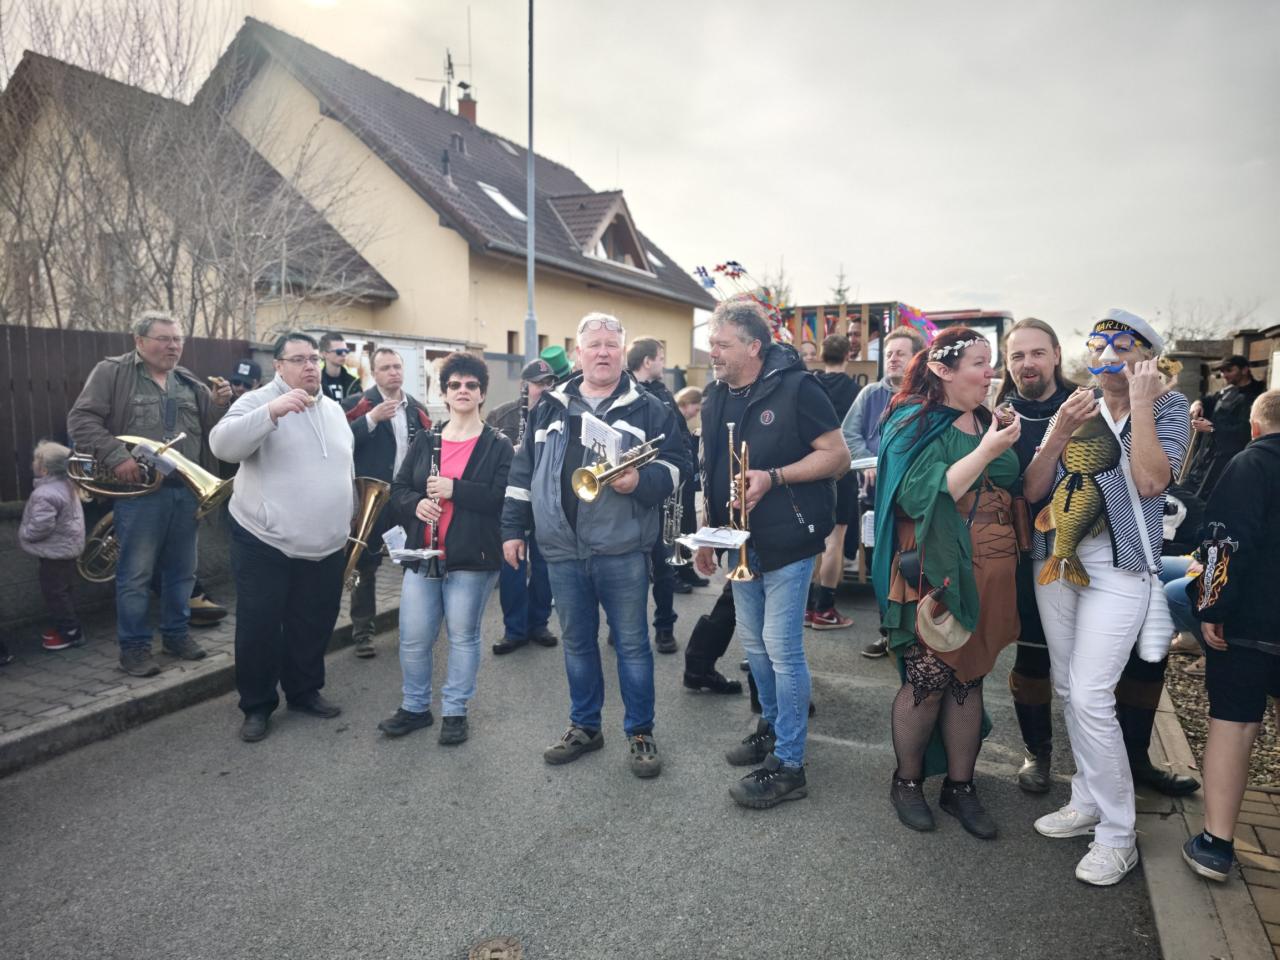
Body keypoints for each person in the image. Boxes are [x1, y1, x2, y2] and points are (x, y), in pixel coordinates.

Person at [1024, 308, 1190, 886]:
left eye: (1122, 346)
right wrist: (1058, 433)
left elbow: (1150, 482)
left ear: (1147, 356)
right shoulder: (1078, 404)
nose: (1108, 355)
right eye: (1099, 345)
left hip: (1122, 566)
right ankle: (1088, 799)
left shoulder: (1169, 407)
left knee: (1093, 694)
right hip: (1058, 553)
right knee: (1069, 688)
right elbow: (1033, 488)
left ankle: (1118, 835)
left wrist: (1140, 404)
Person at [501, 312, 689, 779]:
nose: (603, 352)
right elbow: (523, 470)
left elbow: (680, 465)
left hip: (621, 547)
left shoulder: (649, 407)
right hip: (561, 549)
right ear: (578, 352)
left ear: (622, 351)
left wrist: (640, 482)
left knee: (632, 645)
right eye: (594, 344)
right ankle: (585, 726)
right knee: (577, 643)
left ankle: (640, 731)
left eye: (611, 344)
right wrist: (512, 528)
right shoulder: (550, 406)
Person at [694, 297, 849, 810]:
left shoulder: (798, 388)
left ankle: (790, 763)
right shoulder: (716, 395)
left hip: (788, 539)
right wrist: (708, 532)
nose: (713, 352)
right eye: (712, 342)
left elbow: (837, 456)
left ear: (754, 347)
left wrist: (775, 477)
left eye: (722, 344)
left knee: (782, 650)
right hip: (739, 542)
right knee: (755, 649)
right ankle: (772, 726)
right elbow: (711, 469)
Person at [873, 327, 1022, 840]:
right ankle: (907, 782)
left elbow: (1014, 483)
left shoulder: (986, 419)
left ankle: (961, 787)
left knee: (968, 678)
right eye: (980, 363)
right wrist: (987, 450)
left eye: (990, 362)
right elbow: (919, 497)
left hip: (988, 567)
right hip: (934, 569)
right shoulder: (912, 420)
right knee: (928, 678)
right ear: (942, 370)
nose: (990, 372)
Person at [209, 332, 355, 743]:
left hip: (325, 543)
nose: (310, 366)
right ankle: (257, 705)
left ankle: (304, 692)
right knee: (259, 626)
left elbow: (344, 466)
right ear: (278, 366)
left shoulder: (333, 409)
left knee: (313, 622)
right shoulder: (258, 401)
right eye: (298, 359)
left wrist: (348, 514)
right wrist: (271, 412)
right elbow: (222, 446)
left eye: (314, 358)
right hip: (265, 540)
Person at [67, 311, 230, 676]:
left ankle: (176, 636)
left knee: (182, 574)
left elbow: (212, 430)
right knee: (135, 575)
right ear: (139, 341)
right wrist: (116, 457)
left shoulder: (187, 380)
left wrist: (219, 405)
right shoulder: (112, 372)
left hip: (187, 492)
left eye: (178, 340)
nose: (173, 346)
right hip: (139, 494)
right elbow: (80, 420)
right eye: (164, 339)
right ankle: (134, 649)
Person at [378, 353, 513, 745]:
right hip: (424, 555)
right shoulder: (426, 440)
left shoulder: (498, 445)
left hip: (472, 558)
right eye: (455, 385)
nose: (463, 390)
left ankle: (455, 711)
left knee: (462, 637)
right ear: (444, 393)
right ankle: (415, 707)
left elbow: (502, 498)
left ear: (482, 393)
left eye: (471, 385)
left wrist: (457, 490)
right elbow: (399, 489)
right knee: (414, 637)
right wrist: (416, 504)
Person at [1182, 390, 1280, 882]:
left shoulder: (1250, 464)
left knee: (1235, 724)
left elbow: (1223, 541)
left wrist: (1211, 607)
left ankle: (1216, 845)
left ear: (1256, 427)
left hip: (1250, 622)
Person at [342, 347, 433, 658]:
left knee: (412, 563)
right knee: (365, 567)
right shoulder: (357, 405)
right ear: (373, 373)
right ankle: (363, 633)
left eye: (397, 366)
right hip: (370, 499)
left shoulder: (416, 409)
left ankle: (413, 627)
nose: (393, 372)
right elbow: (341, 443)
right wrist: (370, 419)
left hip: (406, 499)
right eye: (385, 368)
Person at [842, 325, 926, 657]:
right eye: (889, 354)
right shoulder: (870, 395)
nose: (892, 359)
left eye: (900, 354)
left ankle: (919, 634)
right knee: (880, 566)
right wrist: (869, 461)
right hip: (874, 498)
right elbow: (849, 435)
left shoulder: (929, 396)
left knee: (915, 566)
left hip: (915, 501)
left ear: (917, 358)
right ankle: (887, 633)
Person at [486, 359, 559, 655]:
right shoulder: (501, 414)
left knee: (544, 567)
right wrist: (511, 454)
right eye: (538, 383)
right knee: (512, 567)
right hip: (512, 500)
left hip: (544, 501)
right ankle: (514, 629)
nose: (545, 388)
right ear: (524, 386)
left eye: (549, 383)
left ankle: (538, 623)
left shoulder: (559, 412)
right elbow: (487, 458)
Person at [628, 336, 691, 655]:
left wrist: (679, 474)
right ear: (647, 361)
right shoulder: (621, 392)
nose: (664, 364)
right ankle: (624, 627)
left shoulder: (664, 395)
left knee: (663, 568)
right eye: (661, 358)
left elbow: (681, 440)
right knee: (629, 571)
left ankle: (665, 628)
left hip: (660, 496)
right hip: (626, 497)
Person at [807, 333, 860, 629]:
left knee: (809, 539)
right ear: (848, 357)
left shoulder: (810, 385)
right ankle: (825, 609)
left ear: (821, 355)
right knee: (835, 540)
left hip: (811, 468)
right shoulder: (855, 390)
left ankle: (806, 607)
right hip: (842, 469)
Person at [19, 442, 86, 651]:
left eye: (36, 460)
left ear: (45, 469)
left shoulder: (45, 493)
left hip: (54, 553)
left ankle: (70, 632)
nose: (32, 463)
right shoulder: (69, 485)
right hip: (67, 549)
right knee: (64, 590)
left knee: (54, 593)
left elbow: (42, 526)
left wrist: (25, 533)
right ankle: (69, 626)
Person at [1184, 354, 1266, 500]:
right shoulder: (1228, 391)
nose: (1224, 375)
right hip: (1207, 456)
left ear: (1244, 370)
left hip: (1228, 462)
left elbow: (1244, 431)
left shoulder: (1256, 397)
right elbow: (1209, 400)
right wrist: (1198, 403)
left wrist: (1212, 428)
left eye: (1229, 370)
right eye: (1222, 371)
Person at [672, 386, 709, 589]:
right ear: (687, 403)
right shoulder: (673, 417)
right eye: (697, 408)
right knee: (678, 526)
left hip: (685, 481)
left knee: (687, 525)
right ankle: (676, 572)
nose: (697, 413)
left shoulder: (681, 421)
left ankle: (685, 569)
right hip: (678, 482)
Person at [319, 332, 361, 402]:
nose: (344, 354)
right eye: (339, 351)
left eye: (346, 351)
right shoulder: (317, 381)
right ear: (325, 354)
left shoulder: (353, 382)